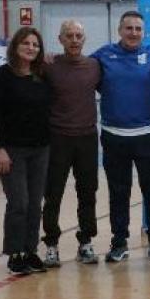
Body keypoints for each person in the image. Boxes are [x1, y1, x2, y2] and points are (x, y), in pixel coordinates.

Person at [91, 11, 150, 262]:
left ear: (143, 32)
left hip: (148, 136)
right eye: (129, 28)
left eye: (138, 29)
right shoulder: (102, 56)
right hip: (114, 137)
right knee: (118, 192)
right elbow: (76, 69)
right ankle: (119, 242)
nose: (133, 33)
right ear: (119, 30)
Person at [0, 27, 52, 275]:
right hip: (11, 150)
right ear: (15, 46)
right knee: (19, 202)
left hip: (40, 150)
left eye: (35, 44)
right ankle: (14, 253)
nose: (31, 48)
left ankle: (30, 251)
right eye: (26, 43)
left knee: (35, 204)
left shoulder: (42, 76)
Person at [41, 20, 101, 266]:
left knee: (87, 192)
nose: (74, 40)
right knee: (52, 193)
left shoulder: (95, 66)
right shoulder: (49, 66)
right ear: (60, 39)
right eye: (69, 36)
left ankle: (85, 243)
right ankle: (52, 245)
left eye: (78, 35)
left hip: (87, 138)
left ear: (84, 39)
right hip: (58, 139)